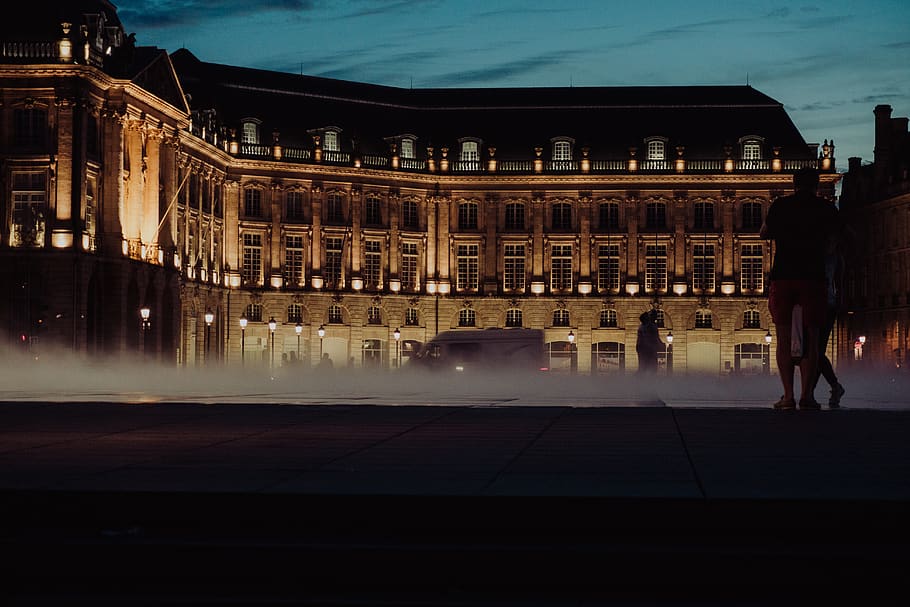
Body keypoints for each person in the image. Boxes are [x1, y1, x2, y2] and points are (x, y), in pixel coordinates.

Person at [760, 167, 840, 410]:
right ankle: (807, 397)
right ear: (817, 185)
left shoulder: (781, 206)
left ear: (794, 184)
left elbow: (764, 233)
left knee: (784, 339)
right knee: (812, 338)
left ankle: (787, 397)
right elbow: (838, 238)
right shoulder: (826, 208)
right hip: (813, 277)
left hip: (784, 276)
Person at [811, 219, 852, 407]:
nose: (830, 242)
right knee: (814, 351)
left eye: (833, 239)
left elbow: (840, 284)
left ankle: (814, 391)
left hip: (827, 305)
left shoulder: (836, 258)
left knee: (816, 351)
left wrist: (840, 304)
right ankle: (828, 388)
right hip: (815, 303)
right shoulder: (820, 254)